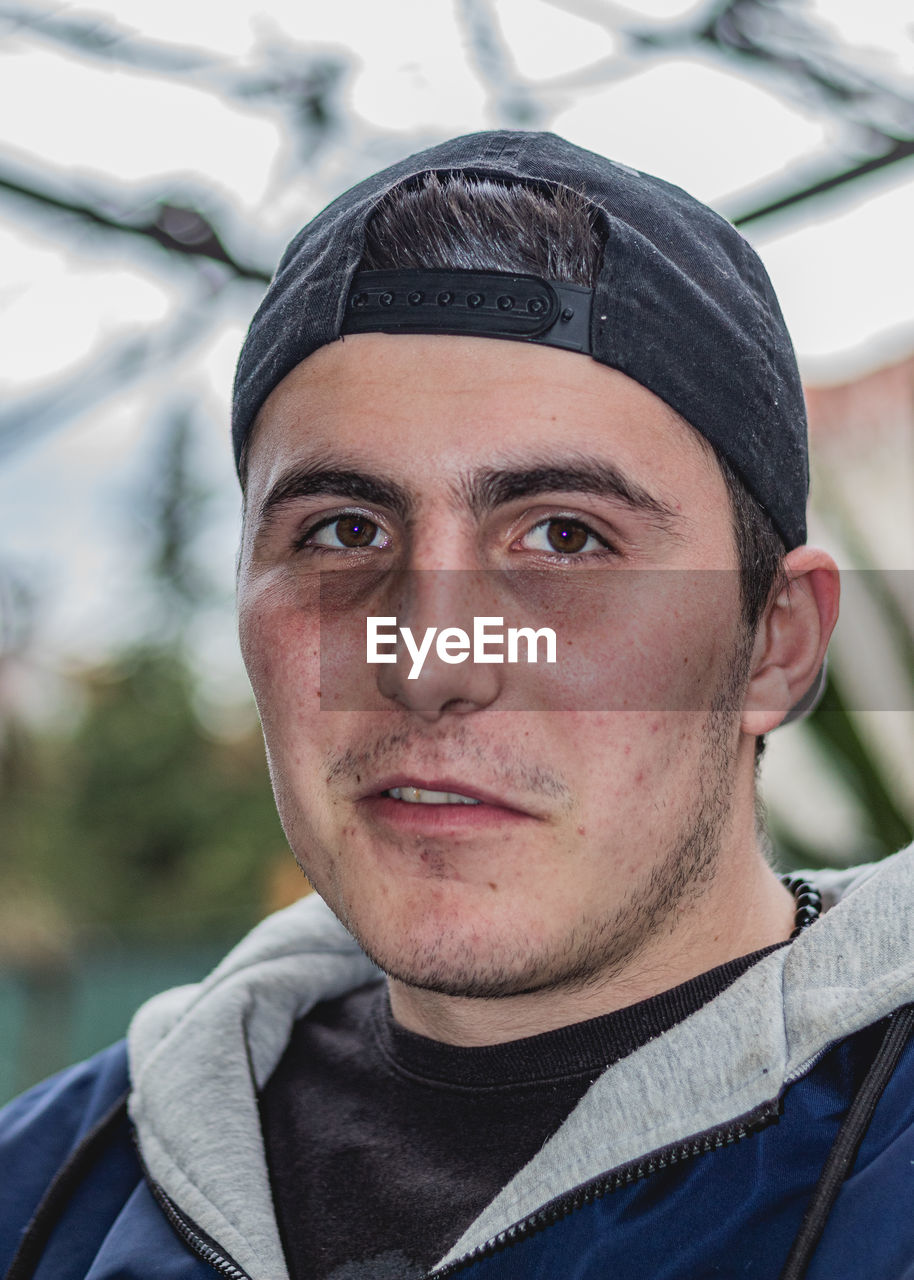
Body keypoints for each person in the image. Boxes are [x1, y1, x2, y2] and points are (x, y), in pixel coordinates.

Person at [1, 130, 912, 1280]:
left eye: (564, 536)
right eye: (344, 531)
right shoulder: (46, 1191)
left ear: (775, 645)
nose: (429, 658)